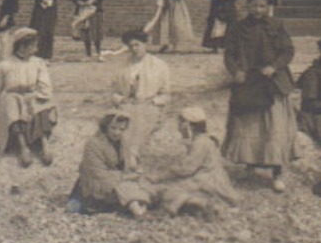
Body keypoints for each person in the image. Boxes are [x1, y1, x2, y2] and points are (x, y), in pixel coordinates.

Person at [221, 0, 298, 191]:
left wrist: (274, 66)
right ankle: (250, 164)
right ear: (248, 5)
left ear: (268, 7)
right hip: (248, 82)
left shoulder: (277, 25)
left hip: (272, 82)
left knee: (274, 128)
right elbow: (229, 54)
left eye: (262, 6)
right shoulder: (237, 27)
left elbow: (288, 51)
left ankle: (276, 172)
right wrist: (235, 71)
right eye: (254, 5)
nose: (257, 10)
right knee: (249, 126)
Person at [0, 28, 57, 168]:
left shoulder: (38, 63)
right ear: (22, 47)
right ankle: (23, 146)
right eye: (33, 46)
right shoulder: (4, 65)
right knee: (11, 104)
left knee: (40, 104)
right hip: (12, 96)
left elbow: (46, 86)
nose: (36, 49)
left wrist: (35, 96)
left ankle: (44, 144)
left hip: (32, 95)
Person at [152, 107, 239, 218]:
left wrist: (160, 176)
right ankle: (199, 205)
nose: (179, 129)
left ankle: (202, 204)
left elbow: (186, 168)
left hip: (206, 180)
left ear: (189, 126)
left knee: (169, 192)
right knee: (172, 189)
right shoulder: (204, 140)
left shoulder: (200, 143)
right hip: (210, 178)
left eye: (181, 124)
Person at [70, 113, 151, 217]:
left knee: (144, 182)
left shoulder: (122, 142)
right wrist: (125, 177)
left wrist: (135, 171)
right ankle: (138, 212)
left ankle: (142, 207)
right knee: (124, 185)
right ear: (105, 127)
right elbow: (97, 173)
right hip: (96, 186)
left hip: (114, 180)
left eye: (121, 129)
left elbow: (126, 165)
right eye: (113, 128)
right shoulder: (93, 143)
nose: (117, 133)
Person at [112, 29, 172, 167]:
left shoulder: (159, 65)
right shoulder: (123, 66)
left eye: (137, 45)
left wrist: (153, 101)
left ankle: (131, 161)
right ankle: (127, 162)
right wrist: (121, 100)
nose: (134, 49)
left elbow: (166, 94)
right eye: (131, 46)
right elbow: (114, 92)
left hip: (149, 106)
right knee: (120, 127)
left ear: (145, 44)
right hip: (126, 105)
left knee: (138, 126)